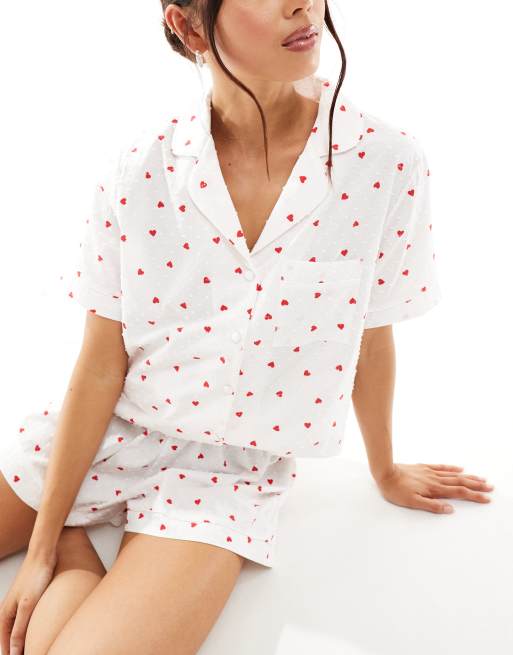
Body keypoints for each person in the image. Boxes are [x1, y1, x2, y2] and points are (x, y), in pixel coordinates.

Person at [0, 0, 494, 653]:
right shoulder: (138, 169)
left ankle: (78, 554)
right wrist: (39, 546)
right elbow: (100, 363)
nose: (302, 4)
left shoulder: (384, 163)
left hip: (225, 478)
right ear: (188, 26)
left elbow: (370, 335)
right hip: (109, 429)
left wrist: (384, 468)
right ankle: (68, 545)